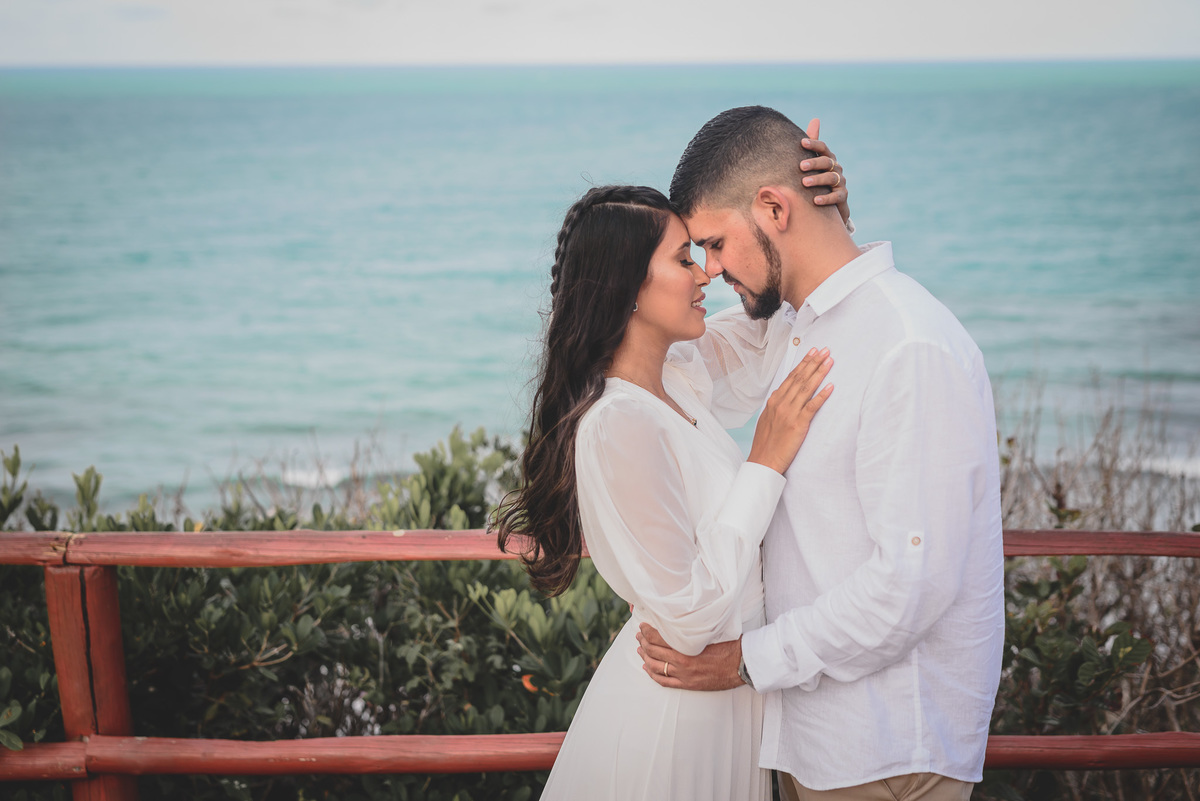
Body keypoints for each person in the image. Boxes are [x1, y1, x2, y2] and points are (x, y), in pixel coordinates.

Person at [636, 106, 1006, 801]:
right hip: (816, 745)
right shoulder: (797, 327)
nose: (710, 270)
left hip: (887, 755)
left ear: (774, 206)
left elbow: (909, 585)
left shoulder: (907, 344)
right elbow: (677, 364)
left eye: (714, 244)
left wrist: (745, 661)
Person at [492, 184, 837, 800]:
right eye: (683, 259)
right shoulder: (617, 424)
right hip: (679, 719)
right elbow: (690, 613)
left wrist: (825, 217)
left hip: (727, 703)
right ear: (626, 286)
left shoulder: (676, 380)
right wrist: (764, 463)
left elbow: (777, 330)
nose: (706, 271)